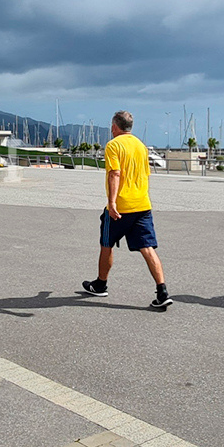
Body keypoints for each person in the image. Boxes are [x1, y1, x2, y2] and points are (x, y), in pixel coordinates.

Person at [82, 110, 172, 308]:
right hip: (142, 205)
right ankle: (162, 290)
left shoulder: (113, 145)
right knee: (147, 248)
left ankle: (100, 285)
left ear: (114, 127)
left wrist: (112, 203)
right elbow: (146, 175)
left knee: (107, 244)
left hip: (120, 207)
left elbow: (115, 173)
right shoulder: (141, 146)